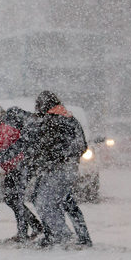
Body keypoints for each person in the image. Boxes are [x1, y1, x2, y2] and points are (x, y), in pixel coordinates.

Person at [31, 90, 90, 247]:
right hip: (63, 168)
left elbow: (46, 147)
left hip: (58, 169)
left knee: (45, 202)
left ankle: (60, 235)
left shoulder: (56, 120)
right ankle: (81, 237)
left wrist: (56, 157)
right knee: (65, 202)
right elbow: (81, 145)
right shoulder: (67, 118)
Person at [0, 106, 43, 242]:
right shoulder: (4, 124)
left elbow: (18, 145)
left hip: (21, 166)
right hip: (15, 166)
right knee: (11, 198)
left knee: (16, 198)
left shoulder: (11, 121)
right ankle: (35, 226)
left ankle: (23, 232)